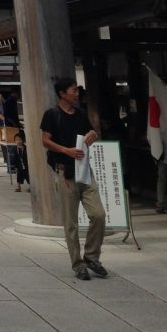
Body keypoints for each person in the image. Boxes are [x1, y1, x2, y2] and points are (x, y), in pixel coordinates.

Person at [40, 77, 108, 281]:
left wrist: (92, 136)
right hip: (65, 172)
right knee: (71, 223)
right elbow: (45, 140)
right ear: (62, 93)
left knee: (98, 214)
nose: (77, 94)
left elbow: (90, 132)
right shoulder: (52, 114)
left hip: (85, 170)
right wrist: (66, 151)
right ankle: (78, 264)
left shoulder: (79, 114)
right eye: (73, 90)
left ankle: (92, 256)